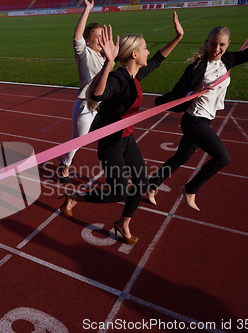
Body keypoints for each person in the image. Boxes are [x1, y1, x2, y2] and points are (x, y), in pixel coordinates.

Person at [147, 0, 248, 211]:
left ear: (228, 44)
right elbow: (176, 95)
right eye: (213, 44)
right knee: (222, 158)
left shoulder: (228, 60)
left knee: (180, 157)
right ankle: (190, 189)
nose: (217, 49)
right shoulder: (196, 67)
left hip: (205, 119)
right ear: (207, 43)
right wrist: (183, 95)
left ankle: (151, 185)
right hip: (193, 120)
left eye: (221, 45)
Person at [59, 12, 184, 245]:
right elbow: (97, 94)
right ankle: (75, 196)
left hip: (127, 139)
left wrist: (177, 38)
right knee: (117, 192)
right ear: (135, 54)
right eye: (145, 48)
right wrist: (108, 63)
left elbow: (157, 60)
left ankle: (124, 223)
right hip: (111, 143)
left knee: (140, 184)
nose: (148, 51)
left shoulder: (135, 73)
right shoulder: (118, 78)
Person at [57, 0, 104, 183]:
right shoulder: (84, 53)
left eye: (102, 36)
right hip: (85, 107)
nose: (101, 40)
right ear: (87, 40)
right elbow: (77, 37)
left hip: (101, 106)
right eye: (97, 37)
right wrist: (87, 9)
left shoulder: (104, 56)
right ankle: (65, 165)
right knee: (78, 140)